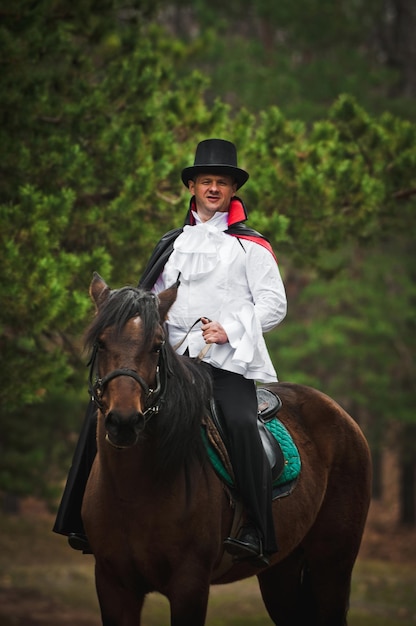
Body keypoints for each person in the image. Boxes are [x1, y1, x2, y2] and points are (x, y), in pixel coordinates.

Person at [53, 138, 287, 566]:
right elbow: (151, 300)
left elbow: (274, 305)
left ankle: (256, 527)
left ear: (233, 189)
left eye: (222, 182)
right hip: (170, 360)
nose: (213, 188)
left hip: (224, 364)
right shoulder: (173, 243)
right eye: (205, 181)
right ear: (192, 187)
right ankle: (78, 517)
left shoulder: (251, 247)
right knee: (102, 409)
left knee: (238, 421)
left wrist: (228, 329)